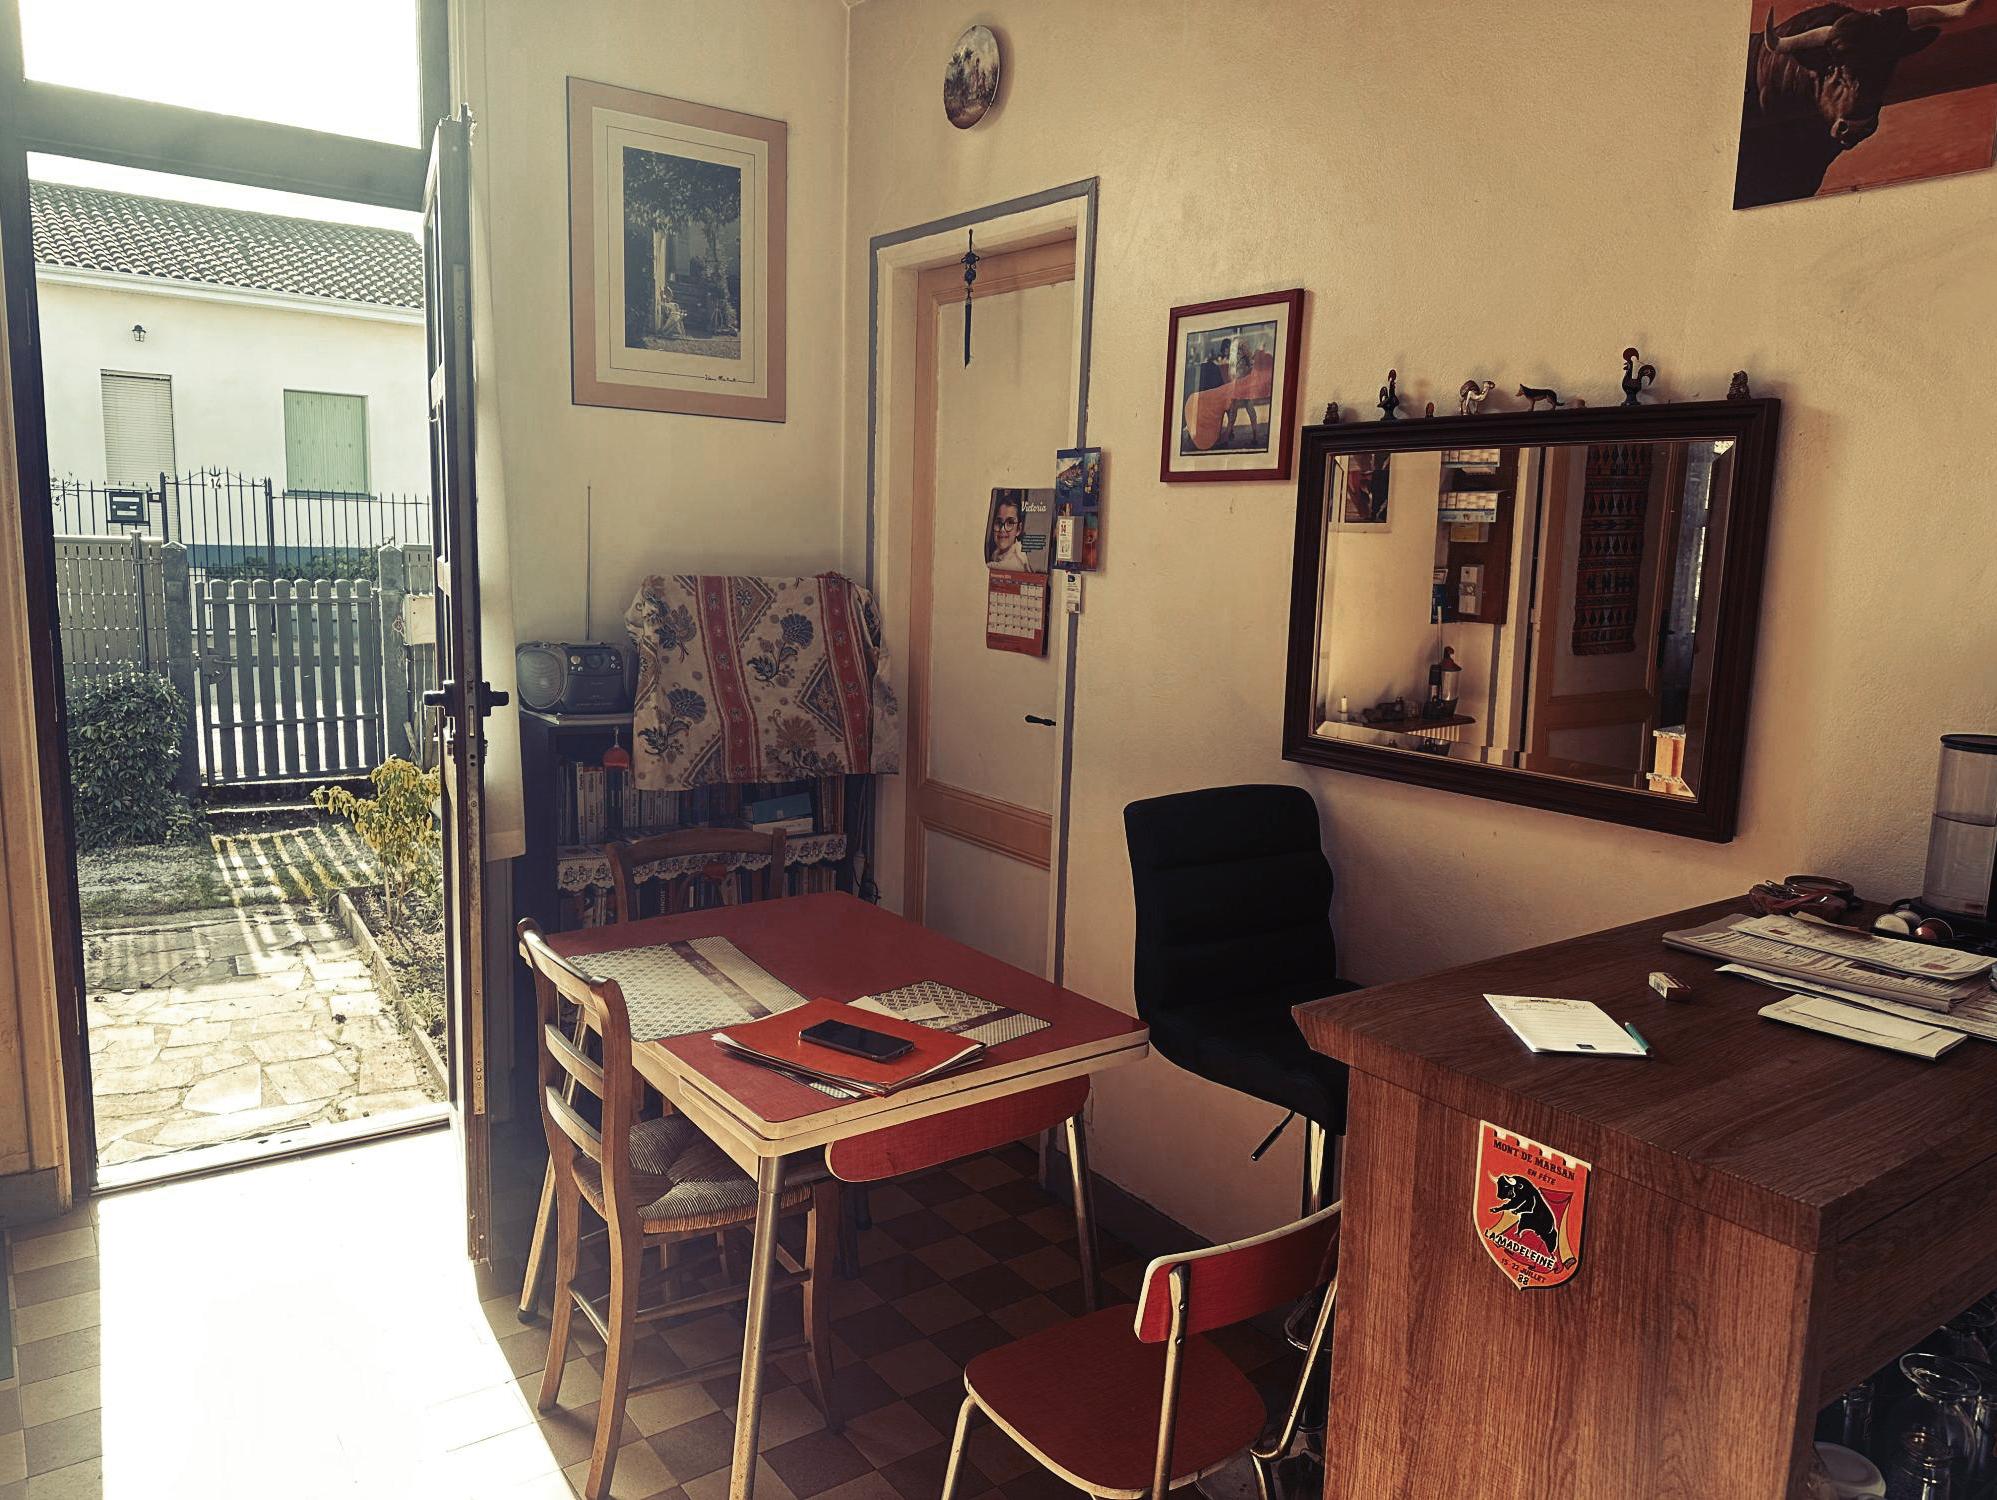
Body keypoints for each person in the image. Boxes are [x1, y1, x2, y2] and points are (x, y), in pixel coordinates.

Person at [987, 494, 1029, 570]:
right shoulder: (997, 553)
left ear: (1018, 529)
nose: (1002, 529)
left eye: (1010, 522)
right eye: (999, 522)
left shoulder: (1014, 564)